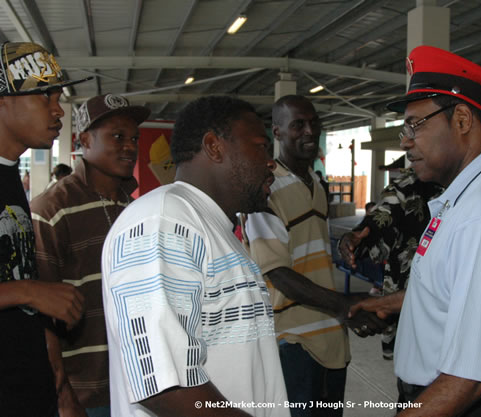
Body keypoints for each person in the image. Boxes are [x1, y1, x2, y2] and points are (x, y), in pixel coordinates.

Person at [349, 45, 481, 417]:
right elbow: (452, 289)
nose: (405, 140)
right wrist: (388, 303)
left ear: (461, 120)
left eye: (415, 124)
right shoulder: (465, 199)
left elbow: (471, 377)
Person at [101, 96, 289, 416]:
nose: (271, 162)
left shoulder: (206, 225)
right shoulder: (164, 222)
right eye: (260, 146)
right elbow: (166, 386)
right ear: (214, 146)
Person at [243, 95, 386, 416]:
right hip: (293, 339)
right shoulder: (266, 189)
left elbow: (307, 247)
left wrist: (341, 242)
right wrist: (347, 306)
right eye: (298, 125)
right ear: (277, 132)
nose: (309, 131)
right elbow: (277, 273)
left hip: (331, 335)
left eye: (314, 123)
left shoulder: (316, 184)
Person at [31, 94, 150, 416]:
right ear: (85, 140)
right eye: (117, 136)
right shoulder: (51, 210)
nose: (130, 146)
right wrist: (62, 394)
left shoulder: (136, 209)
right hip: (86, 392)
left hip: (143, 385)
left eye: (134, 138)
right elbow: (40, 316)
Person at [0, 41, 87, 417]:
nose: (58, 112)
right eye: (45, 97)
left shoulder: (9, 174)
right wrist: (31, 291)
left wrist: (57, 378)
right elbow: (23, 288)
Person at [339, 168, 442, 359]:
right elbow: (382, 219)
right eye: (406, 135)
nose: (406, 143)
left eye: (417, 135)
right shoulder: (410, 184)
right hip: (407, 318)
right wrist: (357, 238)